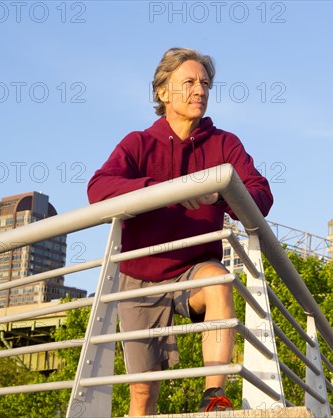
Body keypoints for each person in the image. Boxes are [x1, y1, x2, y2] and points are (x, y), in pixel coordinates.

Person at [87, 47, 273, 415]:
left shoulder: (224, 144)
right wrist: (160, 191)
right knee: (142, 392)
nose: (199, 90)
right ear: (162, 92)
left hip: (193, 268)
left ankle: (214, 397)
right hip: (139, 276)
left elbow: (261, 195)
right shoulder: (138, 143)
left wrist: (222, 191)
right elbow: (98, 188)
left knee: (219, 280)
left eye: (204, 83)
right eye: (188, 82)